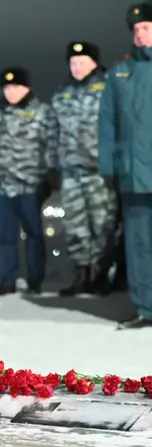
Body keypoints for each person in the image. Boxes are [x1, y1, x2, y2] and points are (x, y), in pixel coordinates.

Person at [0, 68, 55, 296]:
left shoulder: (41, 112)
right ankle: (7, 280)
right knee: (6, 237)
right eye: (7, 87)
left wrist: (49, 176)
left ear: (27, 88)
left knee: (34, 235)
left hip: (31, 184)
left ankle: (35, 280)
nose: (11, 92)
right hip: (3, 185)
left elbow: (50, 144)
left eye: (16, 87)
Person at [49, 41, 117, 297]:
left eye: (82, 62)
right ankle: (82, 275)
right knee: (75, 225)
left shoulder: (109, 88)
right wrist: (52, 165)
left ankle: (102, 275)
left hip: (99, 169)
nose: (77, 67)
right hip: (71, 170)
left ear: (94, 63)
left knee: (103, 225)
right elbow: (53, 132)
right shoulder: (62, 93)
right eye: (73, 62)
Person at [99, 3, 152, 330]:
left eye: (146, 27)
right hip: (133, 173)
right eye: (135, 29)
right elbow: (107, 123)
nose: (139, 34)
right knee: (139, 244)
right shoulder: (120, 73)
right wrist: (109, 166)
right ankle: (146, 308)